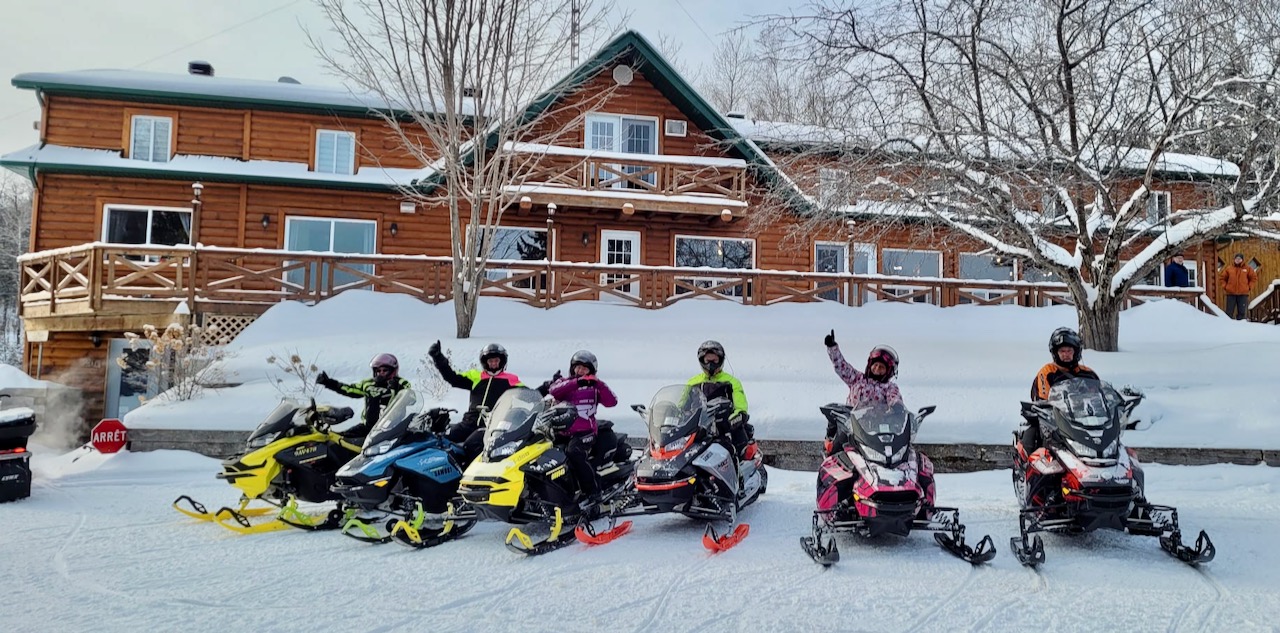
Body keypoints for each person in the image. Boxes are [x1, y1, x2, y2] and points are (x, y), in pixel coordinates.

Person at [428, 340, 524, 461]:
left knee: (471, 445)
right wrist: (438, 358)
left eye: (496, 361)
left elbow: (528, 394)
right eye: (490, 361)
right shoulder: (476, 377)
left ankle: (471, 475)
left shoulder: (511, 380)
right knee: (442, 440)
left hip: (490, 427)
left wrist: (548, 386)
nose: (493, 364)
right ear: (485, 362)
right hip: (468, 422)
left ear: (502, 361)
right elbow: (452, 378)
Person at [544, 350, 618, 503]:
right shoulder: (565, 382)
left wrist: (598, 384)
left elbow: (612, 401)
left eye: (585, 368)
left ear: (591, 370)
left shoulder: (596, 387)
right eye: (578, 367)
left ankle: (593, 491)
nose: (581, 371)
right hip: (561, 430)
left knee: (574, 452)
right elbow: (553, 390)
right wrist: (576, 382)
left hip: (585, 431)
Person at [822, 330, 902, 455]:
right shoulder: (857, 378)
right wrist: (833, 348)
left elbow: (894, 398)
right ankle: (831, 460)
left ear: (889, 371)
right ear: (869, 365)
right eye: (875, 365)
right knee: (837, 445)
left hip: (875, 429)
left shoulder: (889, 387)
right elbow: (842, 366)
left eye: (881, 367)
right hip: (852, 425)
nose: (877, 369)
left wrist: (896, 406)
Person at [1022, 327, 1100, 453]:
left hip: (1086, 420)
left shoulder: (1088, 374)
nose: (1066, 355)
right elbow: (1043, 398)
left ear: (1076, 352)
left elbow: (1100, 398)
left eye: (1069, 351)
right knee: (1032, 435)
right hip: (1057, 420)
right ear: (1055, 353)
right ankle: (1029, 466)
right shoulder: (1047, 372)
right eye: (1062, 351)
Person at [316, 353, 411, 443]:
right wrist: (329, 382)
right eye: (378, 370)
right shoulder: (368, 384)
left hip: (391, 428)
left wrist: (396, 388)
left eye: (385, 370)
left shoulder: (401, 383)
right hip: (368, 427)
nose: (381, 373)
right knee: (340, 439)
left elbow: (411, 396)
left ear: (392, 370)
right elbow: (350, 390)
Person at [686, 340, 754, 460]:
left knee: (735, 447)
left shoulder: (732, 382)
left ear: (721, 360)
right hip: (698, 428)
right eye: (707, 360)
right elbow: (682, 405)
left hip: (724, 426)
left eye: (714, 360)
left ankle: (739, 470)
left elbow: (741, 405)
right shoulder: (692, 382)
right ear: (702, 360)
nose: (711, 364)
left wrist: (737, 417)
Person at [1219, 253, 1257, 320]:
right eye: (1236, 259)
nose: (1238, 260)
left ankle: (1240, 327)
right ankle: (1228, 326)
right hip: (1231, 293)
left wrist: (1249, 287)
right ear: (1234, 259)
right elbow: (1222, 278)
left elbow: (1253, 278)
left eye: (1239, 259)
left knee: (1242, 312)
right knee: (1229, 312)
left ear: (1242, 260)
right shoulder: (1229, 269)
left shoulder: (1247, 269)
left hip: (1243, 294)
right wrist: (1225, 287)